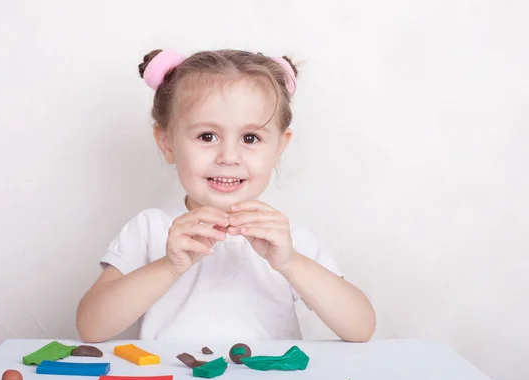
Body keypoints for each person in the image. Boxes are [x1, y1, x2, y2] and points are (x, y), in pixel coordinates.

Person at [76, 49, 376, 344]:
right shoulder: (150, 229)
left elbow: (360, 328)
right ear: (166, 142)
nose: (229, 156)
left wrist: (291, 262)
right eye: (207, 136)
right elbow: (91, 328)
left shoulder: (287, 238)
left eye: (250, 138)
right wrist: (169, 265)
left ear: (278, 148)